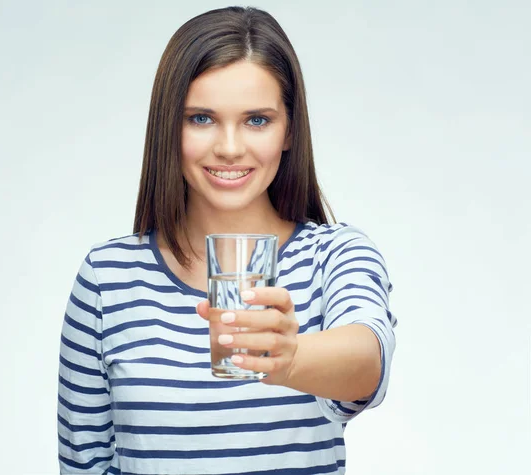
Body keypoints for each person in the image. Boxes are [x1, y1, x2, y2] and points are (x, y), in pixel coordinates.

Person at [57, 6, 397, 475]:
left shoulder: (334, 255)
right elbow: (83, 464)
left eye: (257, 120)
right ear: (168, 128)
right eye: (201, 118)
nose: (230, 147)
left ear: (289, 130)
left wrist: (290, 358)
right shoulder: (106, 277)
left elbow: (367, 361)